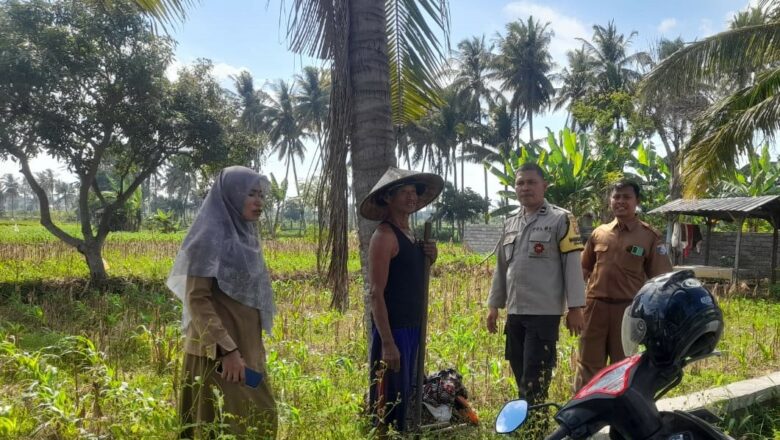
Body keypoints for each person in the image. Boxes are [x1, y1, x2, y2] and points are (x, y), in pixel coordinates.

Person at [167, 166, 278, 439]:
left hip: (246, 348)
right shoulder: (208, 237)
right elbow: (197, 299)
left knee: (260, 417)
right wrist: (226, 351)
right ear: (232, 194)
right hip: (217, 354)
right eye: (251, 194)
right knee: (222, 425)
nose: (259, 201)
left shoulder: (245, 236)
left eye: (261, 195)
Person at [486, 163, 586, 405]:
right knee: (520, 373)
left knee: (535, 377)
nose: (525, 188)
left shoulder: (561, 219)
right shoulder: (510, 223)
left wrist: (575, 307)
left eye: (531, 182)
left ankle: (535, 427)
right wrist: (493, 306)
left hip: (543, 313)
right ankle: (527, 424)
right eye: (520, 183)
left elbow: (572, 265)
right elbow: (501, 268)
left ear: (544, 186)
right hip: (515, 312)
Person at [361, 167, 443, 433]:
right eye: (404, 192)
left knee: (405, 389)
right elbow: (376, 293)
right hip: (393, 330)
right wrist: (387, 343)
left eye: (414, 193)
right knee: (388, 398)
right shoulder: (384, 236)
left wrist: (431, 255)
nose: (411, 198)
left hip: (412, 326)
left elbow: (411, 274)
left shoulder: (412, 235)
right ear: (388, 198)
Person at [574, 180, 672, 390]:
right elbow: (582, 270)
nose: (620, 201)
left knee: (622, 367)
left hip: (627, 311)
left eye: (626, 197)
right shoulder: (599, 233)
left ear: (637, 201)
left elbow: (660, 281)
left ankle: (618, 416)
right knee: (588, 364)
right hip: (595, 308)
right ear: (610, 200)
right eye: (616, 197)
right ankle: (584, 415)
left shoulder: (649, 237)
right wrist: (574, 305)